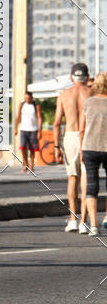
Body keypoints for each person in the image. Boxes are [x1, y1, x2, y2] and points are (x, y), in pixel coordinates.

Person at [53, 62, 92, 233]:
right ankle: (84, 221)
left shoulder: (63, 95)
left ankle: (72, 219)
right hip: (88, 136)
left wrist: (55, 146)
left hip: (69, 136)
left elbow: (56, 124)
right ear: (87, 77)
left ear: (71, 77)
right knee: (86, 179)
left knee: (72, 178)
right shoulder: (92, 94)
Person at [79, 71, 107, 237]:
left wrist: (81, 149)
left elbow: (82, 129)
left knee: (91, 187)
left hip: (90, 147)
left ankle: (94, 226)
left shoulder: (88, 102)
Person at [14, 91, 42, 172]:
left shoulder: (36, 105)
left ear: (32, 98)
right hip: (23, 129)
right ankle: (25, 164)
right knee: (23, 147)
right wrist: (15, 128)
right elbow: (18, 116)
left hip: (33, 130)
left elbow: (39, 118)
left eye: (29, 98)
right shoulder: (22, 105)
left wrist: (40, 131)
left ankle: (31, 165)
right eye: (26, 98)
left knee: (32, 149)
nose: (27, 99)